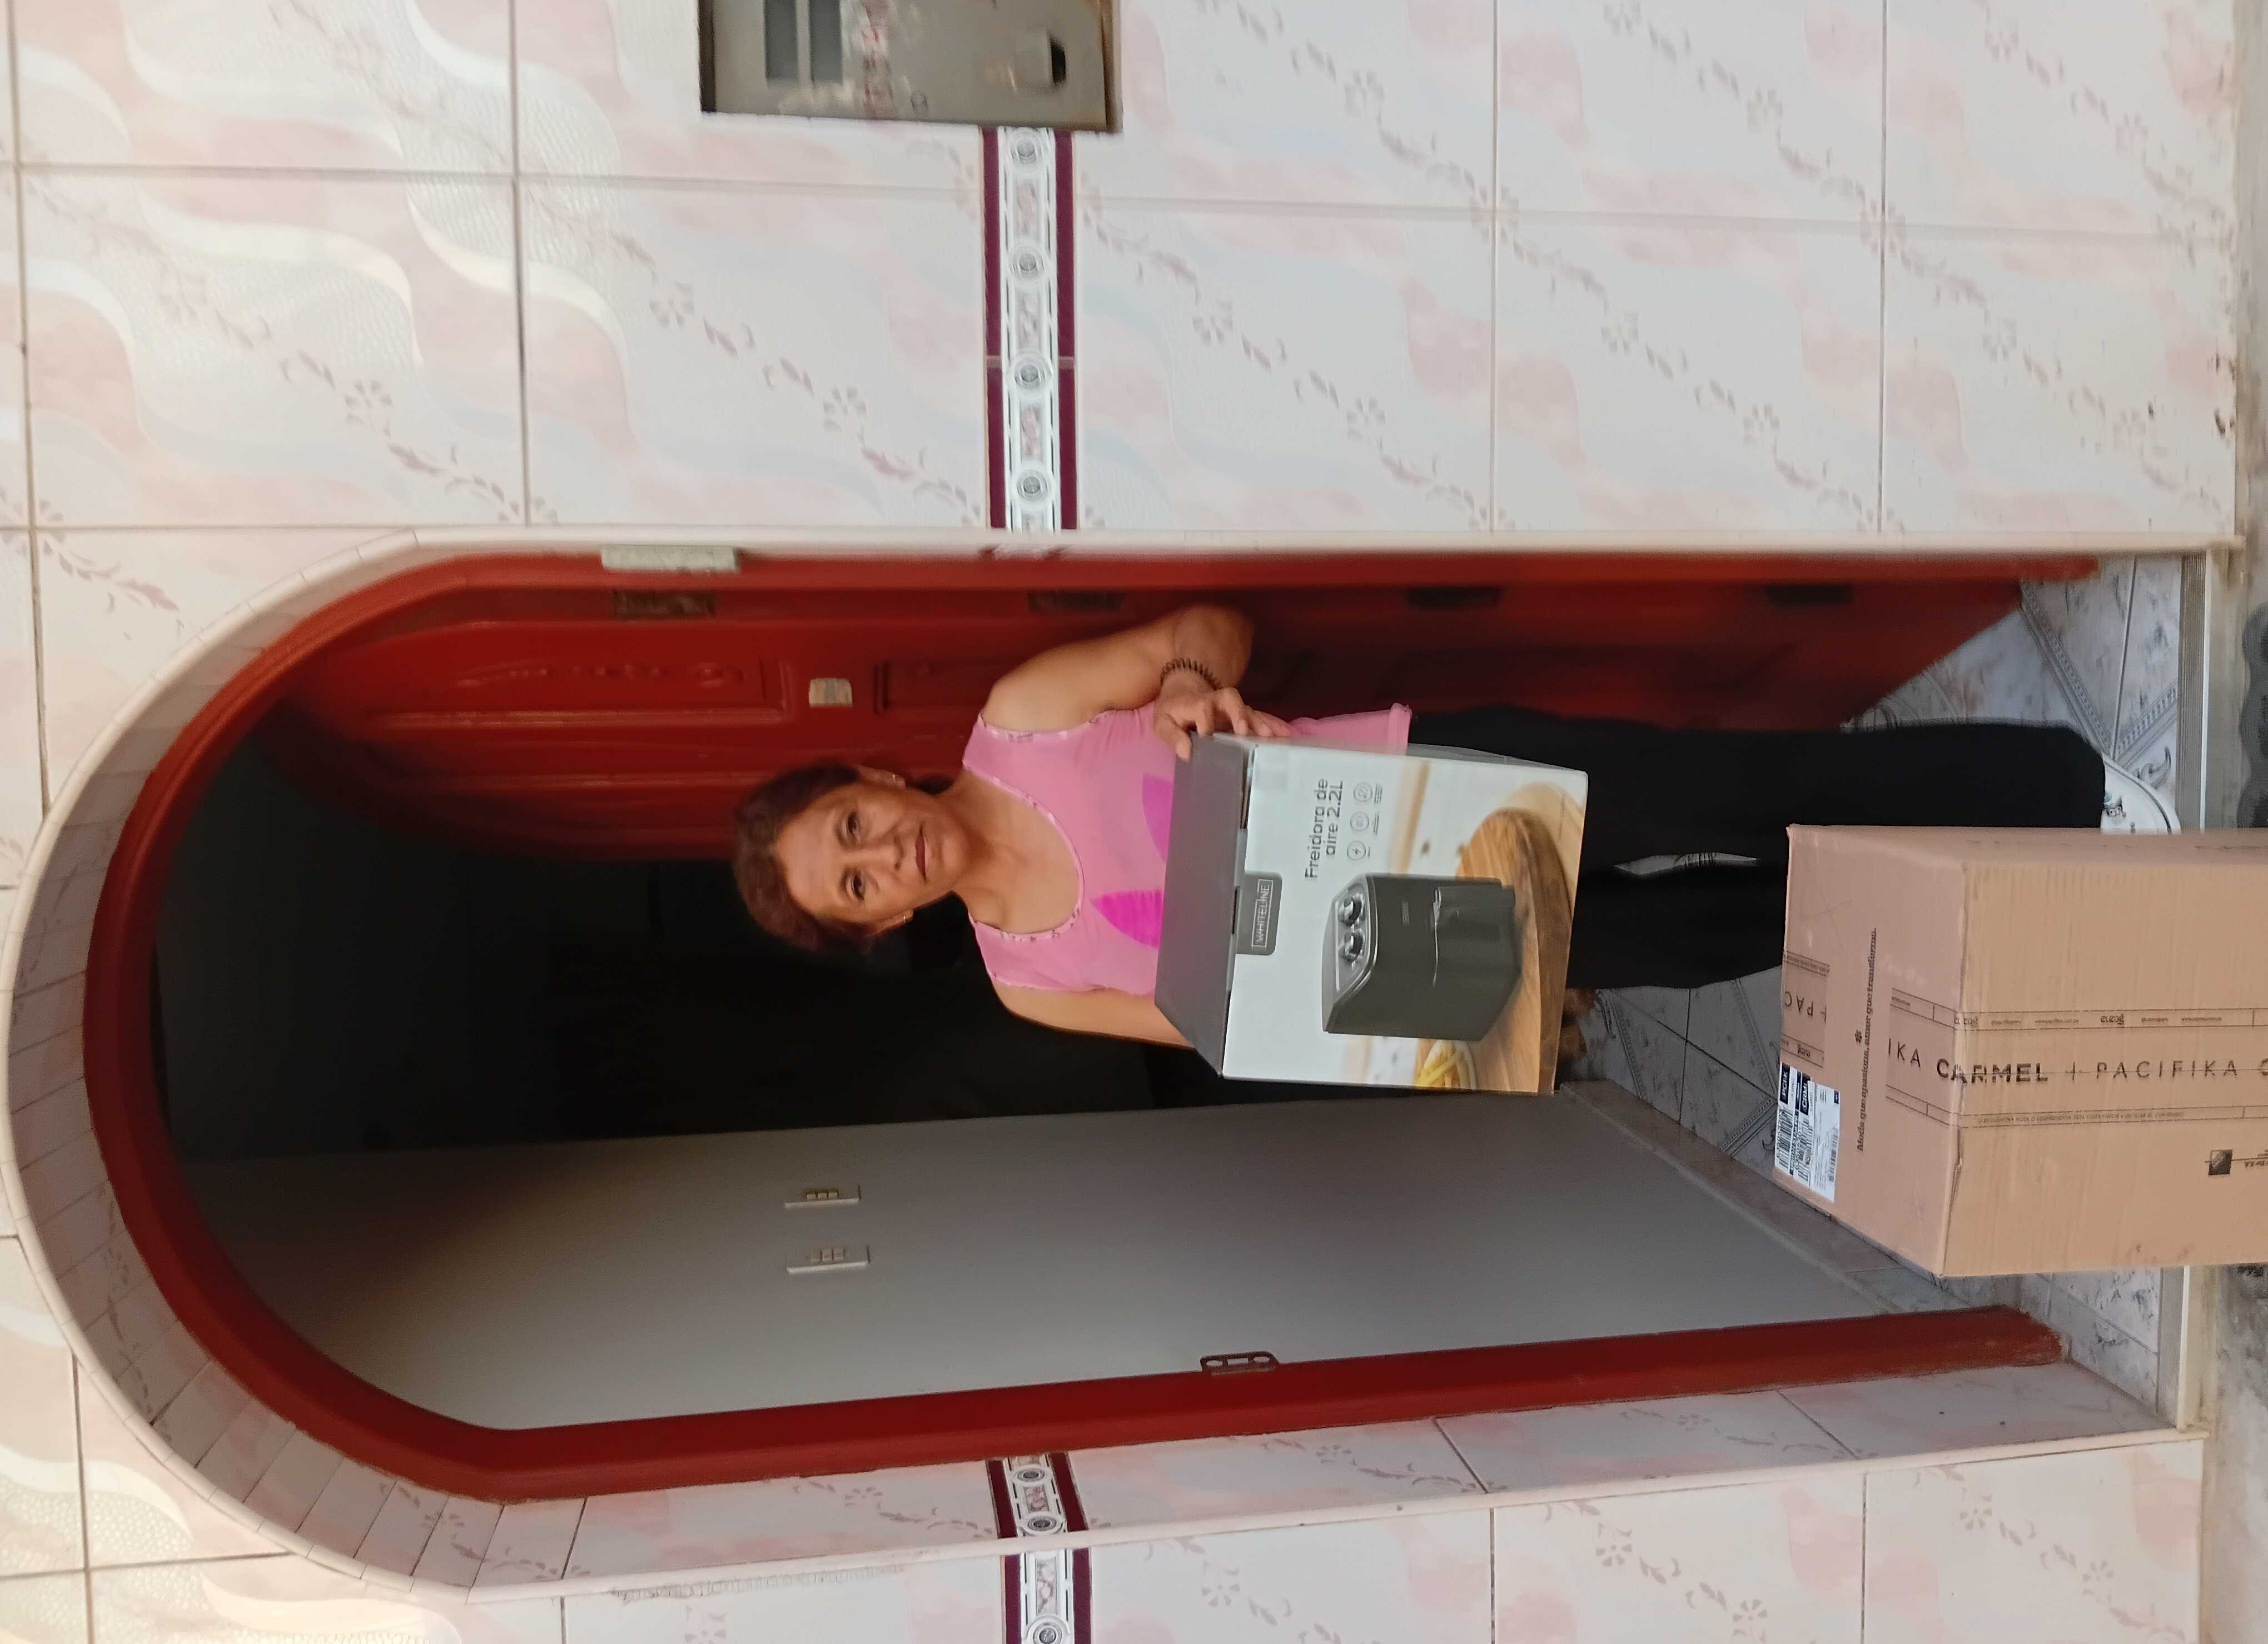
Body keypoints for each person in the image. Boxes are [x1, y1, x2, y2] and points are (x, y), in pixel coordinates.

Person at [730, 606, 2169, 1047]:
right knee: (1697, 936)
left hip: (1430, 778)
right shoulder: (1025, 981)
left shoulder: (1024, 717)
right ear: (881, 924)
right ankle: (1994, 891)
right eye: (855, 885)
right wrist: (1405, 1028)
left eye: (852, 824)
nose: (880, 856)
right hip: (1404, 949)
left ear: (872, 775)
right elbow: (1210, 1027)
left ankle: (2062, 790)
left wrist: (1181, 686)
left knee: (1734, 791)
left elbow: (1208, 627)